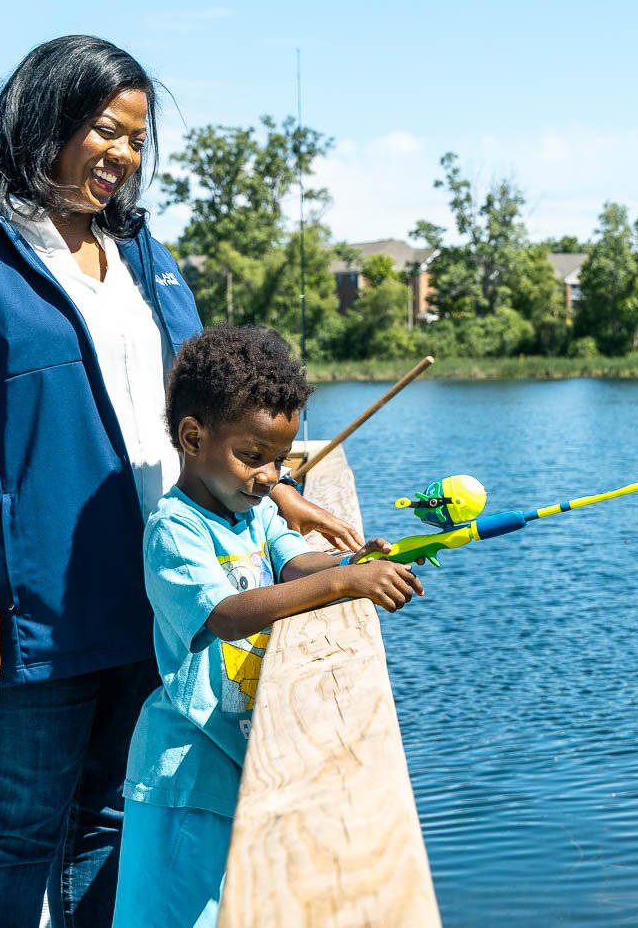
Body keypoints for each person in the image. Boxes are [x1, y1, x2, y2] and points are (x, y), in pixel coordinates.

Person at [0, 35, 361, 928]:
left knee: (108, 818)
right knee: (17, 832)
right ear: (43, 118)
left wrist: (277, 486)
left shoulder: (144, 256)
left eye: (136, 139)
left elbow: (217, 404)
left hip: (151, 593)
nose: (123, 157)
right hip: (33, 604)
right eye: (105, 130)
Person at [111, 326, 425, 927]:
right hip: (185, 767)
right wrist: (341, 584)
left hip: (231, 758)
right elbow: (225, 616)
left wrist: (356, 562)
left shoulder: (248, 511)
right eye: (252, 457)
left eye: (278, 461)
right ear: (192, 436)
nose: (267, 477)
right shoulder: (175, 528)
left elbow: (292, 559)